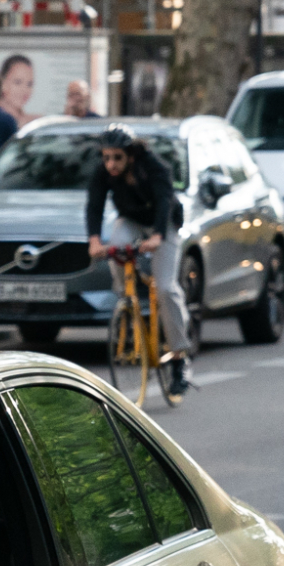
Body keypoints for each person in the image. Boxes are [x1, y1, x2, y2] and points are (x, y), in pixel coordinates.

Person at [84, 124, 192, 398]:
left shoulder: (153, 167)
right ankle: (126, 301)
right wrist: (94, 240)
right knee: (116, 247)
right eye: (106, 157)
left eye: (117, 158)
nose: (110, 164)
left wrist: (156, 236)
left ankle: (180, 357)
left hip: (162, 223)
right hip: (131, 220)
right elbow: (94, 204)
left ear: (130, 155)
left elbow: (165, 200)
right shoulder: (104, 172)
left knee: (165, 288)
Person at [0, 53, 38, 128]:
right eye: (18, 82)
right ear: (2, 83)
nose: (24, 90)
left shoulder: (33, 122)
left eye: (29, 84)